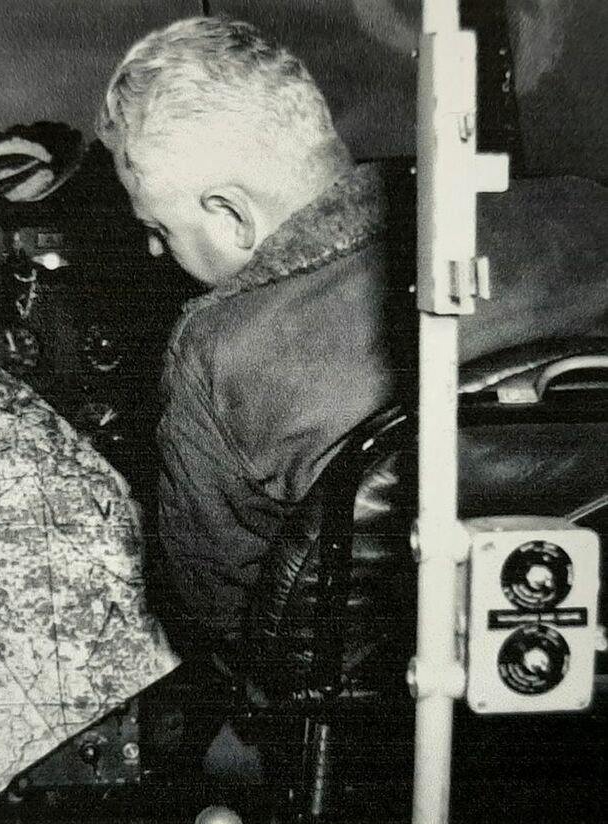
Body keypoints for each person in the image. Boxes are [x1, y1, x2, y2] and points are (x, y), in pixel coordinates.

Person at [96, 17, 608, 673]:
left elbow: (219, 615)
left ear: (231, 215)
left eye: (161, 229)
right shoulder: (584, 212)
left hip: (368, 709)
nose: (153, 249)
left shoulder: (215, 352)